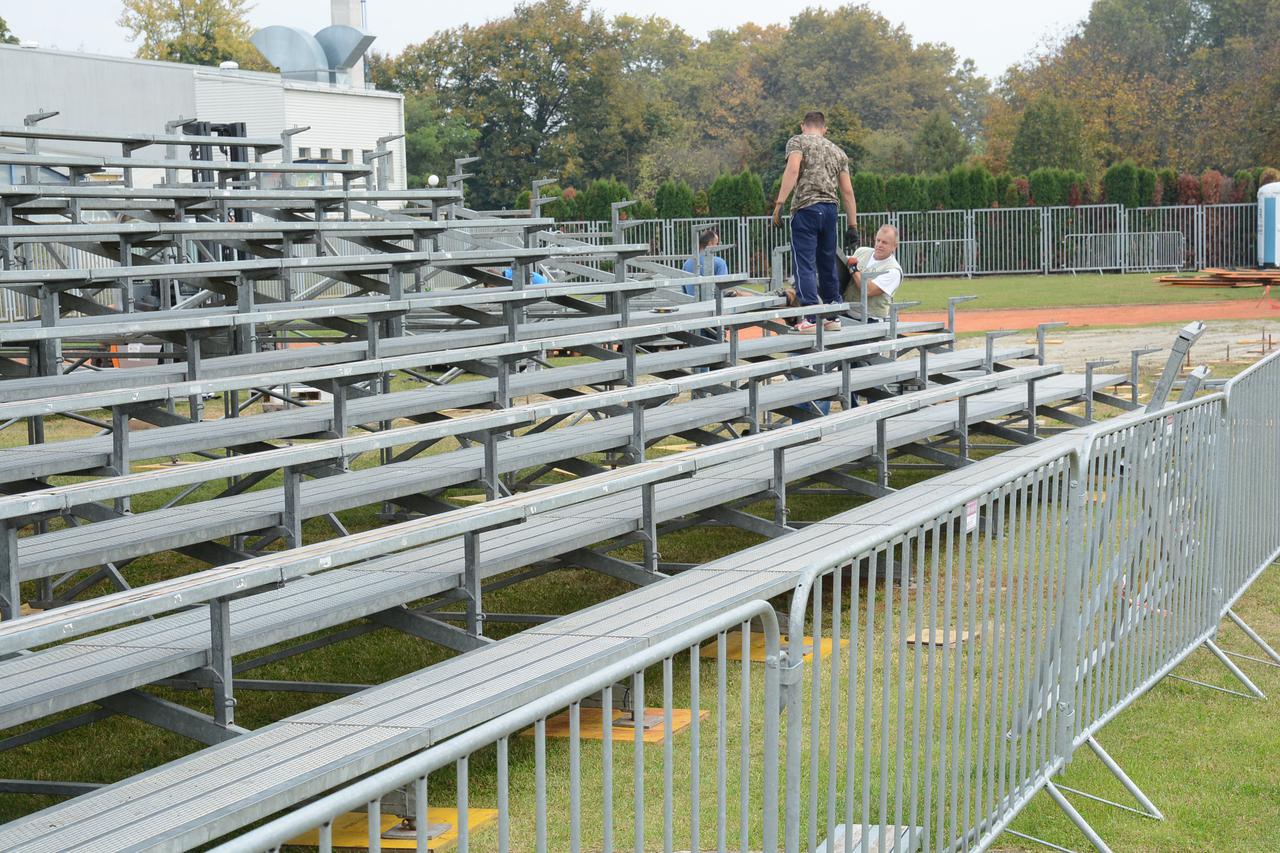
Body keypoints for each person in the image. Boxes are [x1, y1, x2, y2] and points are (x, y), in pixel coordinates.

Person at [771, 111, 859, 334]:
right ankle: (831, 315)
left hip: (806, 208)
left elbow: (792, 169)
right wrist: (852, 226)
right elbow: (847, 191)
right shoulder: (838, 152)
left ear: (803, 125)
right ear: (825, 129)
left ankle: (810, 316)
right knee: (827, 263)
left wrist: (779, 204)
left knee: (805, 264)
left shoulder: (797, 141)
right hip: (830, 210)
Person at [845, 224, 903, 320]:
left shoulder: (894, 270)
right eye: (878, 240)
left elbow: (868, 290)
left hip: (872, 319)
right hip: (846, 312)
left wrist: (854, 269)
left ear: (894, 246)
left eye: (884, 242)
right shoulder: (861, 251)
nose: (879, 245)